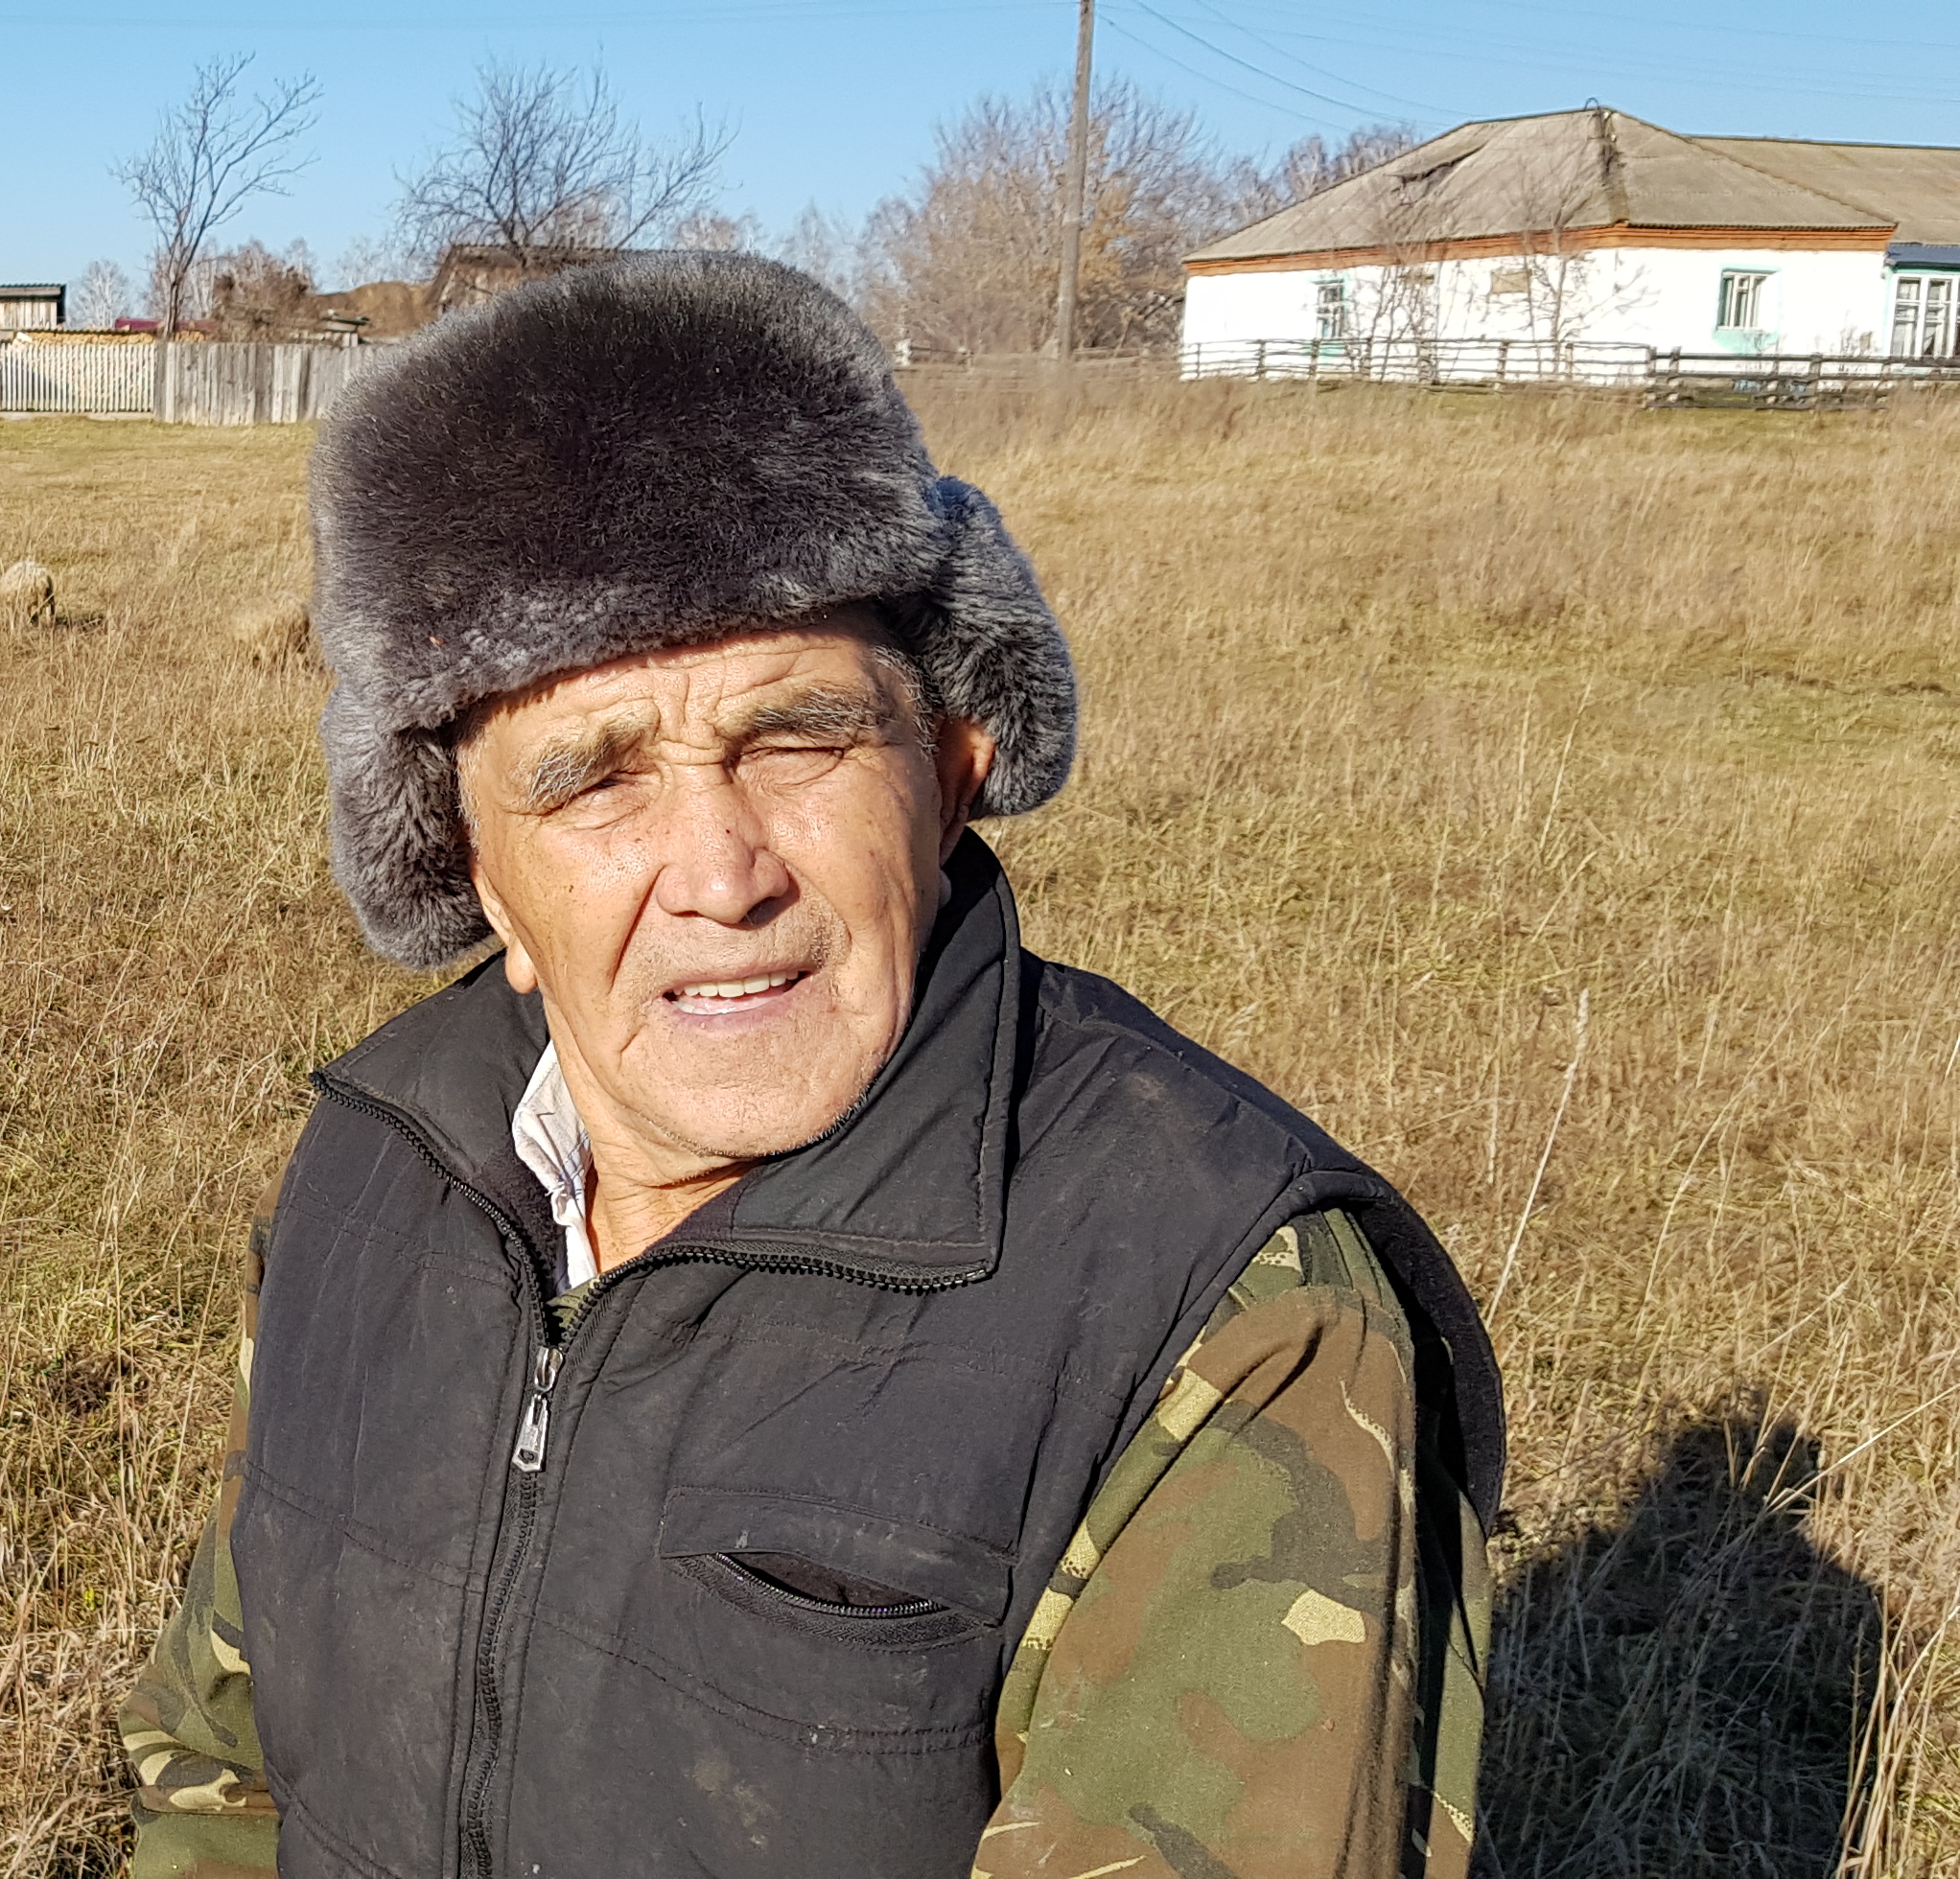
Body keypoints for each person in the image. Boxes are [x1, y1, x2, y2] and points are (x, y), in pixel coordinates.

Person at [118, 255, 1503, 1879]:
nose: (721, 873)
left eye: (797, 737)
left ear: (952, 770)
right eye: (592, 781)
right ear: (476, 873)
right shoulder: (377, 1165)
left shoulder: (1222, 1311)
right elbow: (224, 1770)